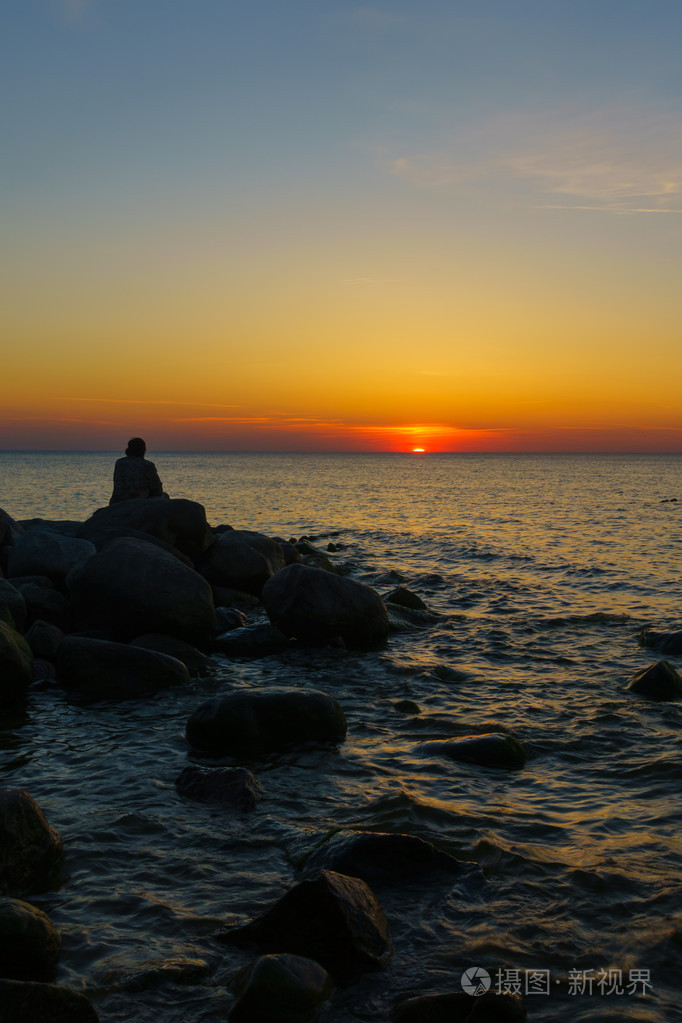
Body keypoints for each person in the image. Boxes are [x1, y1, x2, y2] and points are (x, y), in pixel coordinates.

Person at [109, 437, 167, 504]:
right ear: (143, 450)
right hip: (138, 502)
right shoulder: (148, 465)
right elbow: (157, 491)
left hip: (118, 501)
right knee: (164, 496)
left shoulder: (119, 463)